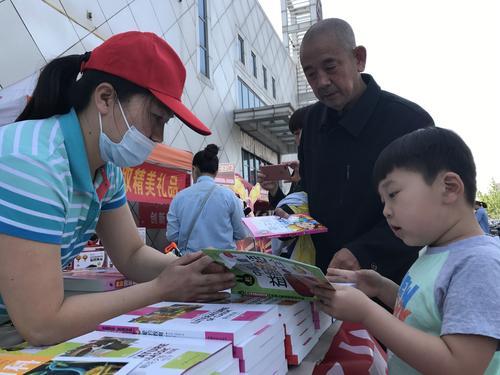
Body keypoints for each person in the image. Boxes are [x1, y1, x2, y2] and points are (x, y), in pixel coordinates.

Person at [0, 31, 235, 347]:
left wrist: (202, 270)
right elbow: (43, 323)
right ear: (105, 98)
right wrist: (161, 288)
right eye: (155, 118)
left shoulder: (105, 169)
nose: (158, 137)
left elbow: (132, 254)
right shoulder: (32, 161)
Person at [314, 127, 500, 374]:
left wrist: (367, 313)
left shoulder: (478, 263)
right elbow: (426, 313)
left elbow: (462, 365)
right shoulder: (433, 251)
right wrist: (381, 287)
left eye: (393, 194)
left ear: (450, 187)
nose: (386, 211)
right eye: (383, 201)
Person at [298, 18, 434, 283]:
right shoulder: (312, 123)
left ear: (358, 59)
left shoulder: (409, 122)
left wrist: (364, 251)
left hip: (393, 285)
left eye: (330, 67)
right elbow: (307, 186)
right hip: (326, 282)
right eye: (310, 73)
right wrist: (291, 211)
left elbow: (425, 209)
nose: (322, 82)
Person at [166, 144, 248, 253]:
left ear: (194, 169)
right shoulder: (229, 196)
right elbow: (241, 233)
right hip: (223, 264)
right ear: (216, 171)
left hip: (190, 264)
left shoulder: (179, 198)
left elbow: (172, 235)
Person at [257, 106, 309, 209]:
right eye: (295, 134)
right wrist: (274, 189)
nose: (297, 140)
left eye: (299, 133)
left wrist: (303, 182)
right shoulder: (299, 169)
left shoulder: (329, 163)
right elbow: (287, 208)